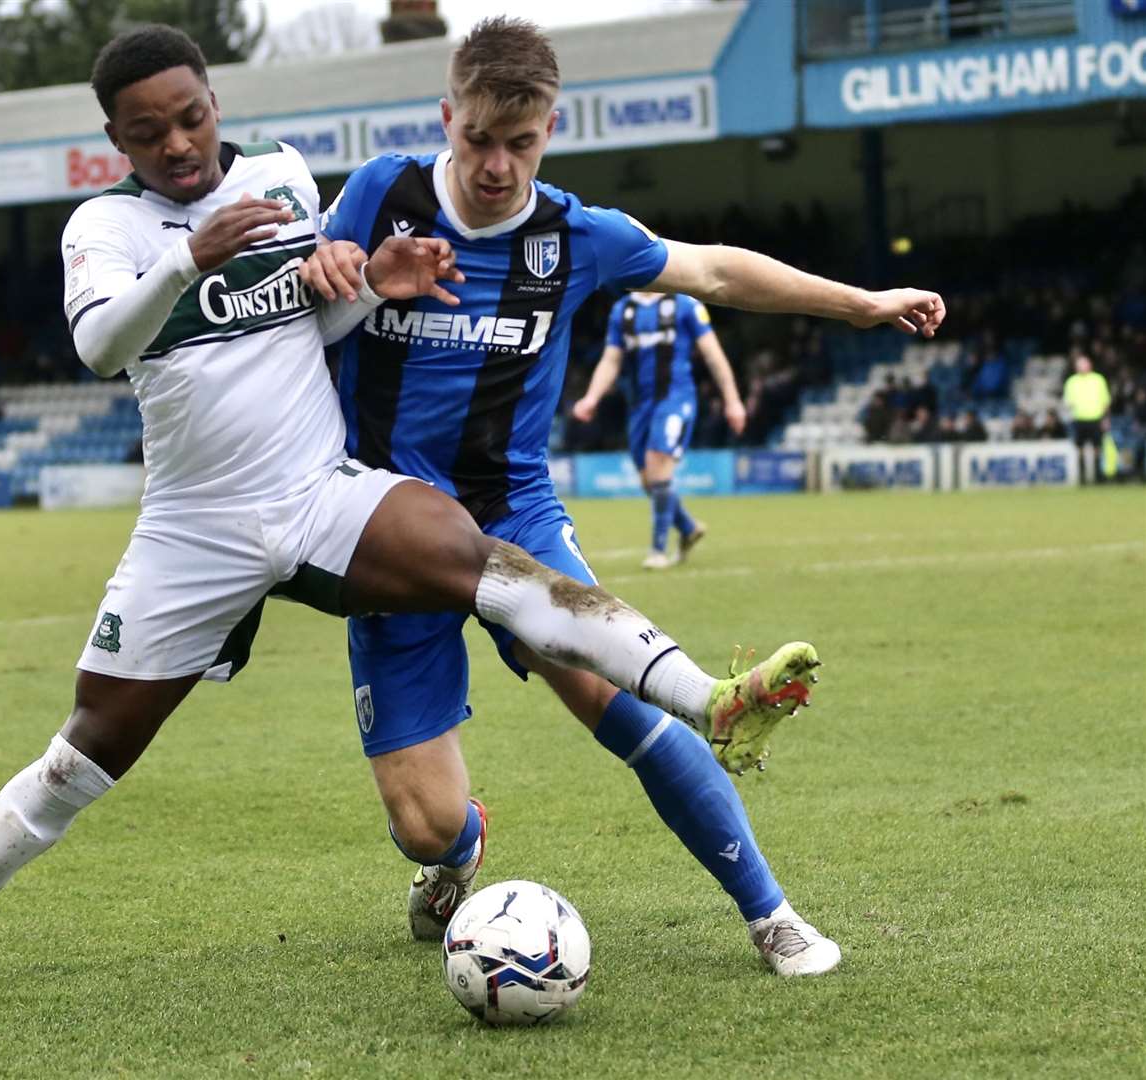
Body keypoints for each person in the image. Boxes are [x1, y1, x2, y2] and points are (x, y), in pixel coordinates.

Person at [0, 25, 873, 988]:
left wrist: (367, 286)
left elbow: (316, 327)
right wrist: (186, 264)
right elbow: (102, 347)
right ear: (118, 139)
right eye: (149, 130)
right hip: (194, 528)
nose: (177, 143)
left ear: (216, 105)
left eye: (192, 117)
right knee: (89, 756)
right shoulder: (103, 232)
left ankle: (716, 712)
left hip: (330, 496)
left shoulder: (293, 182)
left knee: (486, 563)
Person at [309, 16, 945, 975]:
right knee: (422, 821)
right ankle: (456, 854)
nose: (496, 166)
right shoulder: (378, 196)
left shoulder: (575, 235)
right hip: (390, 531)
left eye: (519, 144)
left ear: (550, 132)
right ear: (447, 117)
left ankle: (771, 914)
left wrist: (864, 302)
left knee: (629, 708)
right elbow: (302, 314)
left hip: (513, 513)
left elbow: (718, 268)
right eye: (478, 138)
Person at [571, 291, 746, 569]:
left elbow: (714, 355)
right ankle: (688, 528)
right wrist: (592, 397)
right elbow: (611, 359)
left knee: (657, 464)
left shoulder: (685, 305)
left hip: (677, 398)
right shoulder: (623, 310)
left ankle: (658, 550)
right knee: (647, 480)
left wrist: (733, 400)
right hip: (640, 405)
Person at [1062, 353, 1110, 484]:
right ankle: (1082, 478)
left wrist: (1105, 418)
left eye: (1084, 364)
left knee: (1097, 448)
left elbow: (1105, 401)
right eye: (1079, 365)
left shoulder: (1098, 379)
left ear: (1090, 365)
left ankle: (1098, 477)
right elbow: (1067, 402)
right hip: (1079, 419)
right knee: (1080, 449)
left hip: (1096, 418)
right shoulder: (1072, 381)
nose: (1081, 367)